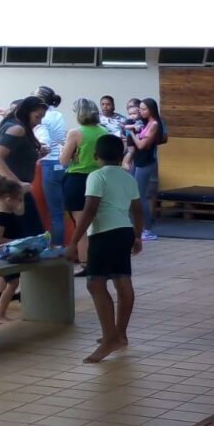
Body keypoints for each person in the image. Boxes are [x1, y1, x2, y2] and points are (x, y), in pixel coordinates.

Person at [65, 134, 142, 363]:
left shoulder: (96, 176)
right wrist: (137, 236)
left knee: (95, 283)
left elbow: (89, 212)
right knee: (122, 280)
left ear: (95, 155)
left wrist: (72, 243)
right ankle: (120, 334)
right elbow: (138, 210)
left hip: (103, 234)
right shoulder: (128, 178)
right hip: (124, 232)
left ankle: (110, 338)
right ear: (121, 156)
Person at [0, 95, 47, 237]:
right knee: (29, 236)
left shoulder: (11, 125)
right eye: (37, 117)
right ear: (27, 112)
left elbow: (15, 156)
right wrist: (18, 184)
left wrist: (38, 153)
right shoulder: (17, 128)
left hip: (4, 186)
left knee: (22, 234)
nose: (39, 121)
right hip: (6, 188)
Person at [61, 98, 108, 277]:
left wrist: (72, 154)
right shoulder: (104, 131)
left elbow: (63, 160)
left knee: (81, 227)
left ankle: (85, 264)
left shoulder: (75, 133)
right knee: (97, 224)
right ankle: (100, 260)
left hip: (77, 180)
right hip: (98, 178)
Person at [0, 176, 26, 324]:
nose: (20, 203)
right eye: (19, 199)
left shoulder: (5, 209)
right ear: (8, 199)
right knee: (13, 284)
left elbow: (20, 212)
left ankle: (1, 314)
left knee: (13, 283)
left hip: (10, 253)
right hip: (5, 255)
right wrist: (18, 242)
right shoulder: (1, 216)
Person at [34, 86, 67, 247]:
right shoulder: (58, 115)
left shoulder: (42, 118)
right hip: (61, 162)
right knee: (60, 212)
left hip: (48, 163)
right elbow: (61, 138)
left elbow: (44, 143)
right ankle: (61, 246)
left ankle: (56, 249)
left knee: (54, 213)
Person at [125, 98, 163, 242]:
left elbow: (141, 145)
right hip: (138, 161)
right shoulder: (144, 123)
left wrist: (132, 133)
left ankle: (147, 229)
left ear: (151, 110)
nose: (140, 112)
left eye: (143, 109)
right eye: (140, 109)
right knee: (133, 194)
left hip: (146, 163)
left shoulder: (154, 124)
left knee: (140, 196)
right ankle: (136, 225)